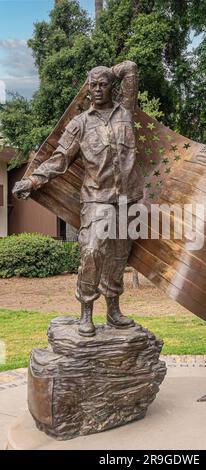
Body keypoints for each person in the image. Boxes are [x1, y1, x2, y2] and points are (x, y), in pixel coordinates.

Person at [13, 60, 144, 337]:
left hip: (127, 200)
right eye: (92, 85)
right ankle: (86, 312)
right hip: (97, 199)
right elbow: (59, 160)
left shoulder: (126, 111)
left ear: (112, 86)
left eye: (103, 84)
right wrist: (32, 180)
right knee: (92, 252)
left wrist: (109, 71)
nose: (96, 89)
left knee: (119, 257)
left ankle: (113, 311)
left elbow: (130, 67)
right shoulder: (79, 124)